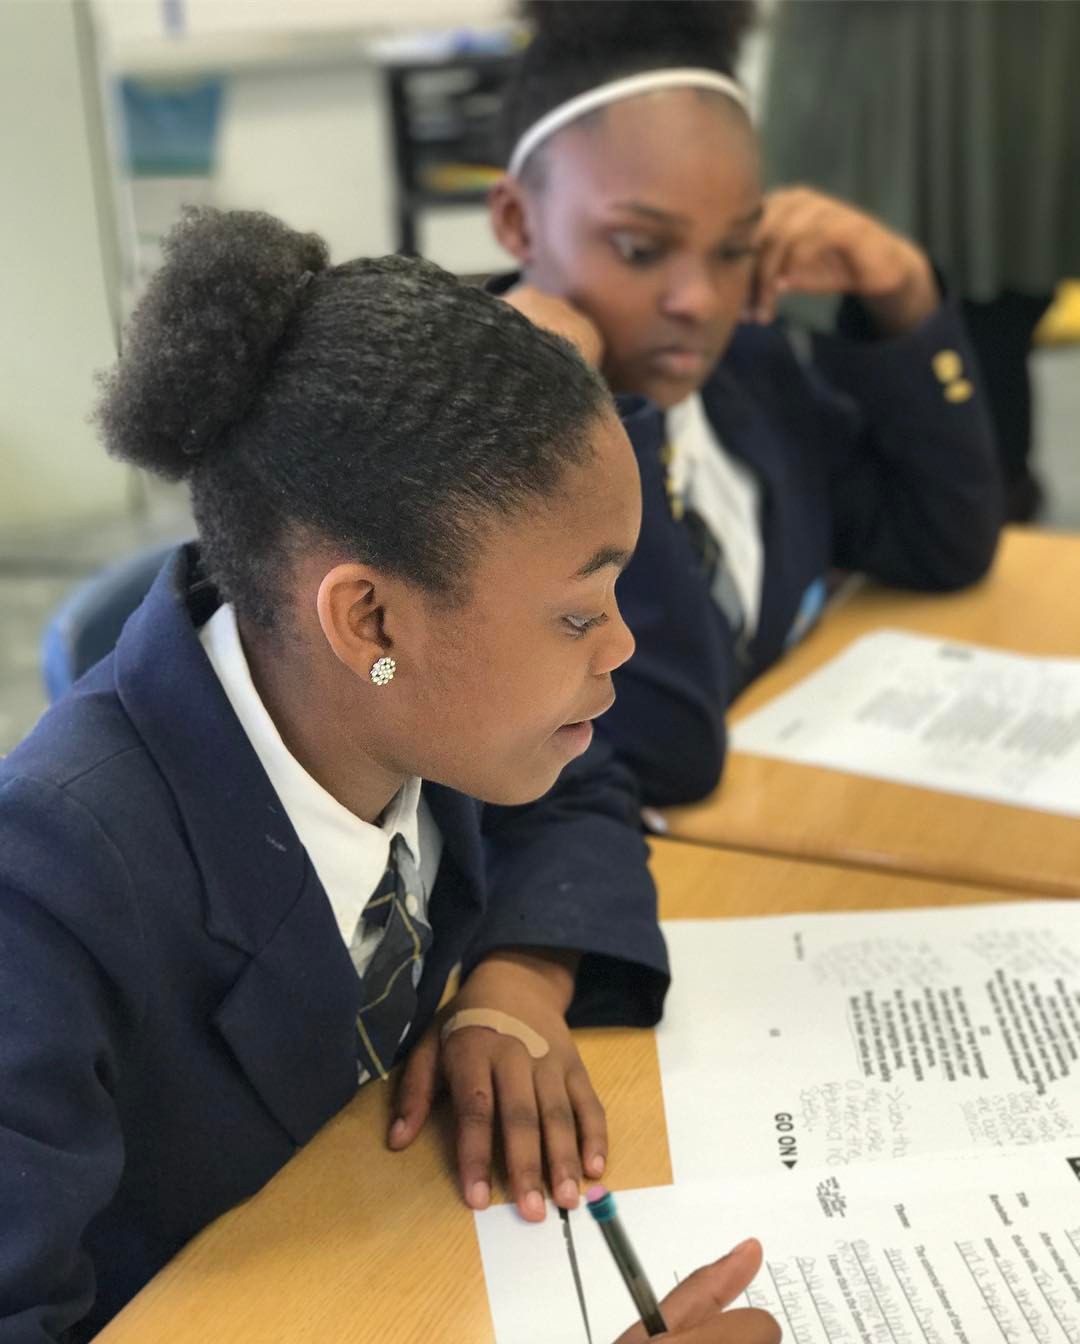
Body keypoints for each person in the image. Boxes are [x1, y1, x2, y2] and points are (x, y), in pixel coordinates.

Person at [0, 207, 716, 1342]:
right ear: (370, 616)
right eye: (580, 610)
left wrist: (517, 983)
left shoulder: (408, 706)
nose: (622, 646)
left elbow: (581, 786)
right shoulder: (45, 890)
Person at [489, 0, 1002, 807]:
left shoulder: (749, 376)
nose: (698, 299)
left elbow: (942, 545)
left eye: (736, 250)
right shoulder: (477, 461)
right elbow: (668, 749)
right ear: (518, 222)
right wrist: (585, 420)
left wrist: (903, 301)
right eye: (639, 248)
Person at [762, 0, 1080, 524]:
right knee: (828, 271)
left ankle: (993, 507)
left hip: (1020, 50)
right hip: (875, 60)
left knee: (1004, 291)